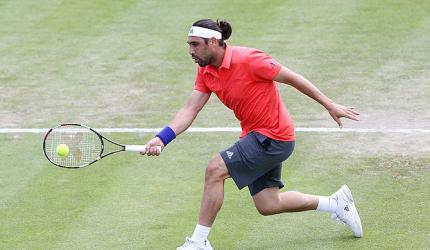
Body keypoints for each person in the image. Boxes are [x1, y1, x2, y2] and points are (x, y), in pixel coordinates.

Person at [144, 19, 362, 250]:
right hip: (256, 136)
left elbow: (293, 78)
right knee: (268, 204)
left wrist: (330, 105)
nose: (190, 50)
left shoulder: (250, 59)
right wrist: (162, 138)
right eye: (189, 44)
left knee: (215, 169)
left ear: (215, 42)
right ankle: (336, 203)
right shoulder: (206, 71)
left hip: (273, 136)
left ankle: (199, 242)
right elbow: (190, 109)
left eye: (196, 44)